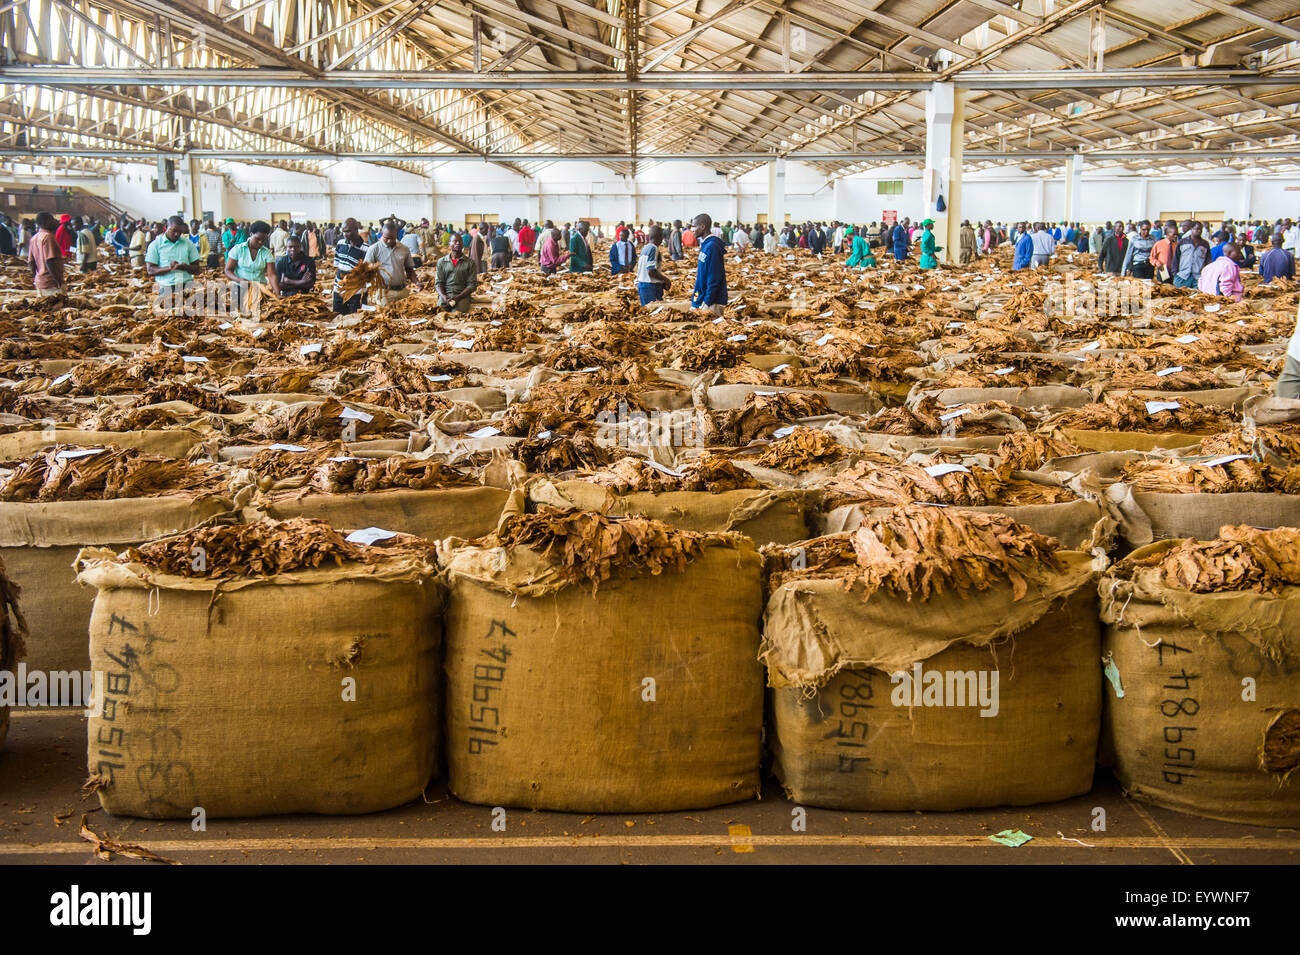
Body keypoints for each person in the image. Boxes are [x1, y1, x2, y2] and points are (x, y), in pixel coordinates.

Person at [144, 215, 202, 311]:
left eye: (180, 232)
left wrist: (185, 267)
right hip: (166, 288)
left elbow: (197, 269)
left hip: (186, 287)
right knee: (168, 318)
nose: (176, 234)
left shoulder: (188, 244)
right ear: (166, 227)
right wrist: (169, 268)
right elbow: (150, 270)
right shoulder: (155, 245)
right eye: (174, 230)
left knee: (190, 319)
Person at [224, 220, 279, 313]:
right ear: (251, 234)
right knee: (239, 316)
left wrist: (277, 292)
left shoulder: (266, 253)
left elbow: (272, 275)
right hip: (239, 289)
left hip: (259, 290)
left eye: (264, 239)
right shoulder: (238, 249)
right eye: (258, 239)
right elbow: (228, 270)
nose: (261, 242)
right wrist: (239, 280)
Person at [364, 221, 419, 301]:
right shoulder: (374, 249)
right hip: (385, 293)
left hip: (402, 291)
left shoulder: (404, 249)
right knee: (386, 313)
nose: (389, 241)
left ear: (396, 235)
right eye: (387, 238)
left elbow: (409, 269)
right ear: (382, 234)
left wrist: (417, 282)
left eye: (392, 238)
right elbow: (366, 269)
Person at [690, 212, 727, 315]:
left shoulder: (713, 246)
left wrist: (707, 302)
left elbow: (715, 277)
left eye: (694, 226)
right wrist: (696, 300)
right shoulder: (705, 244)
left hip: (711, 302)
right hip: (701, 297)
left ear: (702, 226)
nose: (692, 229)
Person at [332, 218, 368, 314]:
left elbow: (367, 275)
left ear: (356, 230)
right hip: (338, 291)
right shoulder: (340, 244)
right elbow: (336, 266)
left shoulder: (366, 249)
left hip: (356, 293)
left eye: (347, 231)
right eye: (343, 232)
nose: (345, 234)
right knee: (337, 317)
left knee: (355, 321)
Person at [435, 232, 478, 313]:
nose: (458, 243)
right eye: (455, 241)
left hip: (462, 296)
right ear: (449, 244)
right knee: (439, 313)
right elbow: (438, 283)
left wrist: (458, 297)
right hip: (446, 294)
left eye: (460, 241)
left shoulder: (470, 262)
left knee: (457, 314)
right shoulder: (442, 262)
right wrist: (444, 297)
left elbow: (472, 285)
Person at [28, 211, 64, 297]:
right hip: (51, 283)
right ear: (47, 221)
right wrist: (58, 281)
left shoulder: (34, 238)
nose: (55, 222)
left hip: (41, 282)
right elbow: (50, 261)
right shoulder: (48, 237)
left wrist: (36, 278)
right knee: (57, 309)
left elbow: (31, 262)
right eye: (52, 220)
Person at [635, 225, 671, 306]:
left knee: (648, 313)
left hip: (643, 285)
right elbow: (651, 271)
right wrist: (666, 280)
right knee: (654, 311)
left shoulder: (645, 248)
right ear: (660, 237)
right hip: (650, 287)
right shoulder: (653, 248)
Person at [1171, 224, 1211, 289]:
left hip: (1197, 278)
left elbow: (1208, 260)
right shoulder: (1183, 242)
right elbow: (1176, 257)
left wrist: (1205, 275)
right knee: (1179, 297)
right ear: (1191, 229)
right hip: (1182, 276)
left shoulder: (1205, 244)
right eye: (1197, 229)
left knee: (1196, 297)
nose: (1199, 231)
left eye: (1200, 229)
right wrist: (1175, 273)